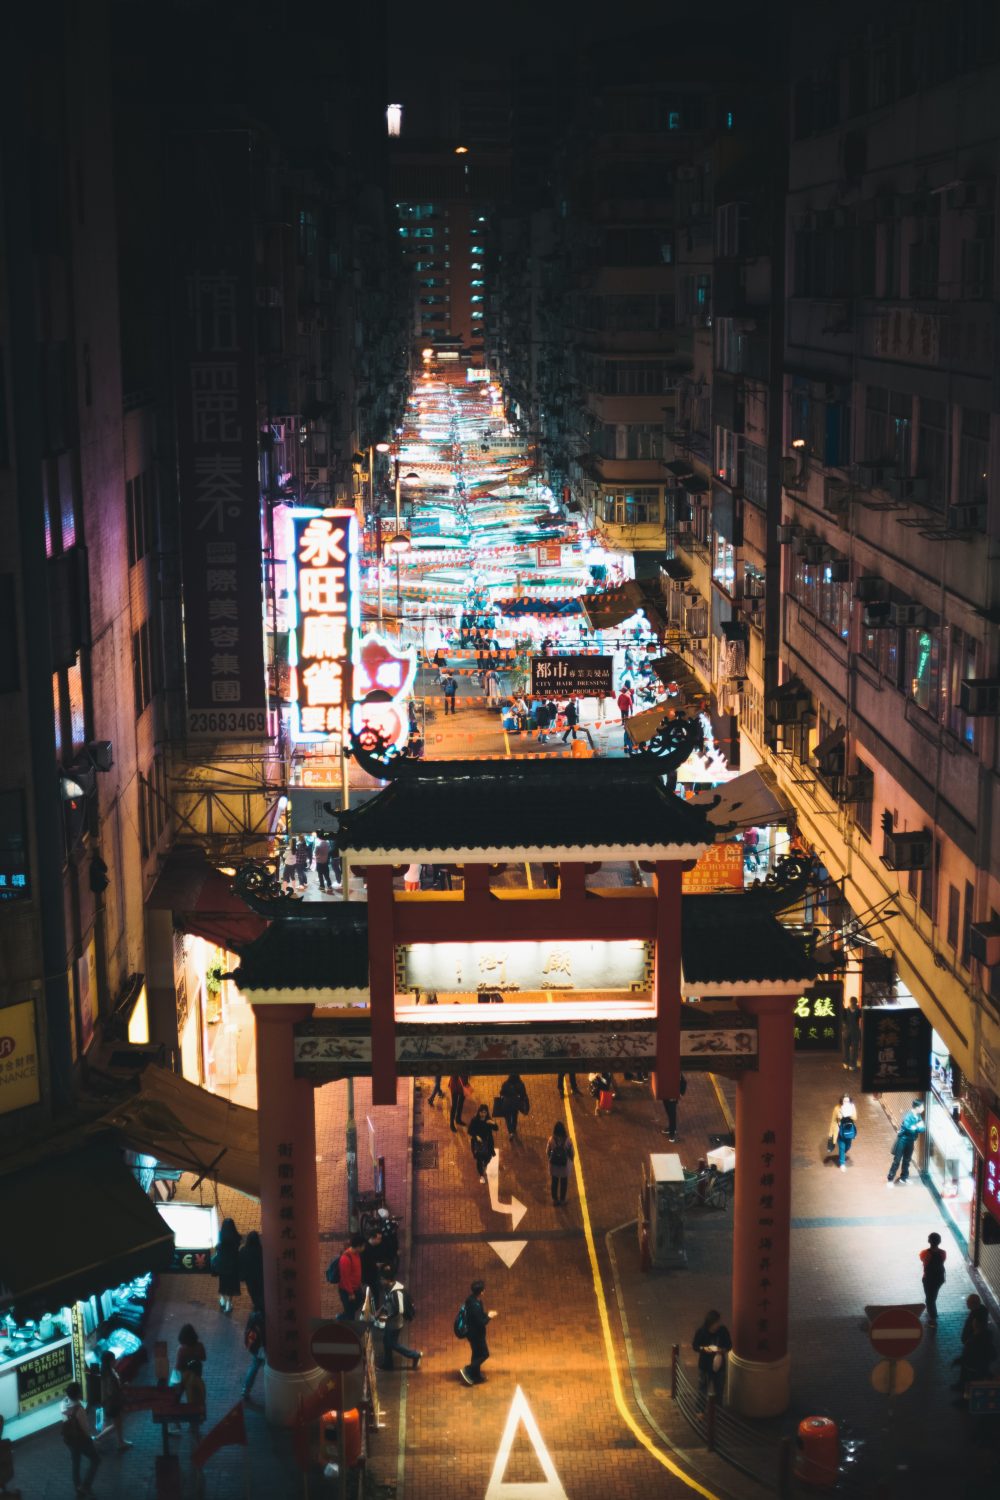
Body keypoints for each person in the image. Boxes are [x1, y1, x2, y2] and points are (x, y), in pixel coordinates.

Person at [62, 1381, 101, 1494]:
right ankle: (86, 1485)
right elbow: (85, 1428)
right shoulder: (79, 1410)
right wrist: (92, 1439)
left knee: (76, 1462)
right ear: (78, 1394)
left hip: (70, 1439)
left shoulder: (65, 1405)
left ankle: (78, 1486)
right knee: (96, 1460)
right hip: (81, 1440)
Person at [377, 1279, 422, 1372]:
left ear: (387, 1280)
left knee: (392, 1344)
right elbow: (388, 1302)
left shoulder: (396, 1292)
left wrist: (387, 1318)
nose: (381, 1282)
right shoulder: (389, 1288)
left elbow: (399, 1310)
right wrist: (381, 1310)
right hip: (391, 1322)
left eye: (382, 1280)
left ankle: (415, 1355)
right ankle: (388, 1363)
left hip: (395, 1324)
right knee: (386, 1340)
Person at [459, 1280, 496, 1386]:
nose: (485, 1290)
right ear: (481, 1292)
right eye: (483, 1289)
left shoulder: (472, 1300)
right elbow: (481, 1323)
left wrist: (486, 1314)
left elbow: (479, 1316)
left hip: (473, 1333)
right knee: (484, 1354)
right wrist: (489, 1317)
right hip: (476, 1335)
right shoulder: (475, 1305)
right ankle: (468, 1370)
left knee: (476, 1354)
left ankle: (476, 1376)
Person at [692, 1310, 732, 1409]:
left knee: (719, 1390)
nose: (717, 1325)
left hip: (719, 1366)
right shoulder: (701, 1332)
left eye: (718, 1322)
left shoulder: (723, 1331)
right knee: (702, 1389)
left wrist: (722, 1350)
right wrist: (704, 1349)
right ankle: (700, 1410)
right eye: (715, 1323)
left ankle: (718, 1410)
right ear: (710, 1323)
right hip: (705, 1366)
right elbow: (695, 1346)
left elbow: (729, 1345)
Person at [95, 1351, 131, 1452]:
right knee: (116, 1424)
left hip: (110, 1402)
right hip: (113, 1402)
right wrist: (123, 1387)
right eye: (113, 1359)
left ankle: (120, 1442)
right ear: (110, 1361)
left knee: (117, 1423)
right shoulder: (109, 1375)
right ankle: (97, 1438)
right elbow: (112, 1391)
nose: (115, 1360)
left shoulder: (106, 1371)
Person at [954, 1306, 995, 1391]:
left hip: (972, 1367)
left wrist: (961, 1360)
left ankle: (966, 1396)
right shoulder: (986, 1335)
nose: (972, 1323)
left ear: (976, 1324)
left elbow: (970, 1354)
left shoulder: (976, 1339)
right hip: (976, 1367)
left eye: (974, 1321)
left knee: (971, 1383)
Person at [887, 1099, 925, 1186]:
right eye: (922, 1107)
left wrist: (915, 1127)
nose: (923, 1108)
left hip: (910, 1140)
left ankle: (904, 1178)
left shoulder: (918, 1116)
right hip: (902, 1140)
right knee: (897, 1160)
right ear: (917, 1107)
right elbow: (909, 1129)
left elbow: (922, 1129)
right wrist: (917, 1127)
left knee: (907, 1160)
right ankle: (890, 1180)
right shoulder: (908, 1116)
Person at [213, 1217, 242, 1313]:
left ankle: (222, 1299)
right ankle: (228, 1304)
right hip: (233, 1265)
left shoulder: (221, 1236)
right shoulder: (237, 1237)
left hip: (222, 1265)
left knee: (222, 1283)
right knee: (231, 1285)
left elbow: (217, 1247)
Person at [919, 1231, 947, 1326]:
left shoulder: (924, 1253)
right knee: (932, 1296)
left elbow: (923, 1260)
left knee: (929, 1299)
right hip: (939, 1279)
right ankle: (931, 1311)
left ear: (929, 1241)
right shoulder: (943, 1253)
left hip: (928, 1279)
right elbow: (942, 1261)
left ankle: (933, 1318)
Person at [336, 1233, 365, 1320]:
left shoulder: (357, 1255)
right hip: (347, 1291)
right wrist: (350, 1293)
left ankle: (342, 1317)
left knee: (359, 1303)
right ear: (358, 1246)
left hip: (356, 1288)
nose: (364, 1248)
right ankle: (341, 1319)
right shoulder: (346, 1258)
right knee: (350, 1316)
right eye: (363, 1246)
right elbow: (345, 1278)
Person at [468, 1104, 499, 1182]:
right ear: (479, 1112)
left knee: (488, 1158)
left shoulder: (488, 1120)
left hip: (488, 1143)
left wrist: (493, 1123)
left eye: (484, 1112)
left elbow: (496, 1128)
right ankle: (481, 1175)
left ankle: (484, 1164)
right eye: (481, 1112)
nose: (483, 1114)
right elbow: (470, 1131)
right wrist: (476, 1136)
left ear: (486, 1113)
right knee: (479, 1159)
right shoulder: (475, 1120)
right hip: (477, 1143)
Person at [546, 1122, 575, 1205]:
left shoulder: (551, 1139)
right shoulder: (568, 1140)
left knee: (554, 1183)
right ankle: (562, 1200)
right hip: (564, 1167)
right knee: (564, 1183)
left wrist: (550, 1159)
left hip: (554, 1167)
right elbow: (572, 1153)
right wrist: (571, 1161)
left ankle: (555, 1200)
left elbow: (547, 1151)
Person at [827, 1094, 858, 1169]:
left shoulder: (852, 1108)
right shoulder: (837, 1108)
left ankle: (841, 1155)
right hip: (839, 1130)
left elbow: (855, 1118)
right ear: (842, 1101)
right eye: (844, 1101)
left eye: (848, 1101)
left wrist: (849, 1114)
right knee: (842, 1147)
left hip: (848, 1130)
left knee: (848, 1146)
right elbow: (833, 1121)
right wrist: (831, 1133)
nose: (846, 1102)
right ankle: (842, 1164)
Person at [238, 1230, 265, 1313]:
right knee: (261, 1291)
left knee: (253, 1292)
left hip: (249, 1276)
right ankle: (261, 1307)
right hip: (260, 1275)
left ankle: (257, 1305)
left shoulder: (243, 1250)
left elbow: (240, 1263)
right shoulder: (262, 1250)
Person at [242, 1309, 266, 1399]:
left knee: (254, 1367)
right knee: (266, 1368)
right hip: (262, 1349)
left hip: (255, 1349)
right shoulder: (263, 1319)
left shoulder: (252, 1316)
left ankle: (245, 1389)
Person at [180, 1358, 206, 1439]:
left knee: (193, 1420)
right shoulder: (197, 1380)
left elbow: (182, 1384)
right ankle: (195, 1435)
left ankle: (192, 1429)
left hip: (190, 1403)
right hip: (196, 1405)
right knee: (196, 1422)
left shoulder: (187, 1375)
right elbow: (203, 1393)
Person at [498, 1072, 529, 1140]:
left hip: (506, 1103)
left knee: (507, 1118)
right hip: (516, 1103)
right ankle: (514, 1129)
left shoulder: (506, 1083)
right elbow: (523, 1095)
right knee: (515, 1116)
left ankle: (510, 1132)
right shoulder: (521, 1084)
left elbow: (501, 1092)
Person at [662, 1074, 688, 1142]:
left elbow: (684, 1082)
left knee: (672, 1115)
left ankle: (672, 1135)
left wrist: (680, 1093)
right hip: (666, 1094)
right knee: (668, 1112)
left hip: (672, 1097)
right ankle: (672, 1128)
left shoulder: (676, 1072)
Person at [842, 998, 861, 1070]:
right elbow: (842, 1021)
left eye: (855, 1003)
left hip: (855, 1032)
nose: (853, 1004)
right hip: (847, 1031)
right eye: (852, 1003)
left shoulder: (859, 1011)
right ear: (849, 1003)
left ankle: (852, 1064)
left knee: (854, 1049)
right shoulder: (844, 1011)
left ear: (856, 1003)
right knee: (846, 1048)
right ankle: (846, 1063)